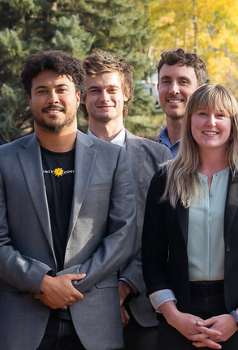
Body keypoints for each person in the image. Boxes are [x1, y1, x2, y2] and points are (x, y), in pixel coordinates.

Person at [0, 50, 139, 350]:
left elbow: (123, 235)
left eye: (61, 89)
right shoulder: (1, 161)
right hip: (23, 321)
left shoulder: (112, 159)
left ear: (78, 97)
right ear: (30, 100)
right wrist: (43, 282)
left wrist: (71, 285)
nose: (53, 98)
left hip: (95, 322)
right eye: (42, 91)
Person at [141, 84, 238, 350]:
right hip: (181, 317)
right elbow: (152, 257)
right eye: (202, 114)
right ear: (189, 120)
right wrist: (173, 316)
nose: (211, 122)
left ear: (233, 123)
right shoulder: (164, 179)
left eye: (220, 115)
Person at [81, 49, 174, 350]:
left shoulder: (157, 156)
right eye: (94, 90)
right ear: (82, 96)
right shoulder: (67, 157)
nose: (103, 97)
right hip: (79, 308)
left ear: (127, 92)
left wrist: (123, 289)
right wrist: (98, 293)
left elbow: (163, 236)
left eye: (112, 89)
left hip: (143, 311)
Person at [154, 48, 208, 156]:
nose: (173, 90)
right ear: (158, 88)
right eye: (166, 81)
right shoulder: (148, 152)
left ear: (200, 91)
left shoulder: (211, 153)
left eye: (183, 82)